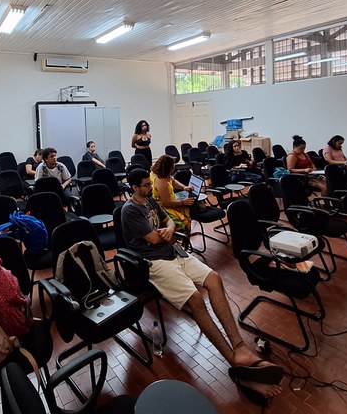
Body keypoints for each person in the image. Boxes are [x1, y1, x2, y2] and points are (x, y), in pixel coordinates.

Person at [121, 169, 284, 406]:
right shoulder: (130, 210)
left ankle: (240, 348)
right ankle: (235, 364)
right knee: (196, 299)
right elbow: (154, 240)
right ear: (134, 187)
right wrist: (165, 232)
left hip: (174, 252)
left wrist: (167, 227)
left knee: (215, 279)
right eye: (146, 185)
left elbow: (166, 220)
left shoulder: (150, 201)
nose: (150, 188)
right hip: (153, 262)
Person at [149, 154, 194, 232]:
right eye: (173, 167)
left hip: (169, 202)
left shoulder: (158, 173)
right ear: (167, 169)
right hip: (163, 208)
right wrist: (183, 202)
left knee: (188, 206)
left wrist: (184, 187)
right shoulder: (161, 181)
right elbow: (168, 203)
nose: (174, 169)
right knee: (184, 221)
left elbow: (172, 181)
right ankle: (182, 240)